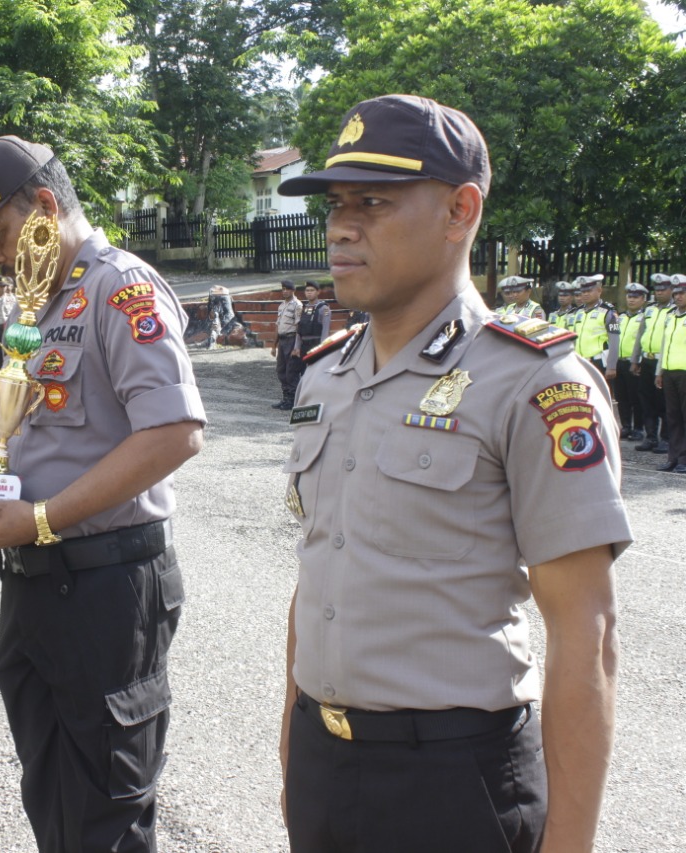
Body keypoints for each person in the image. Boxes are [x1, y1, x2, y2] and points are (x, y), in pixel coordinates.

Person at [275, 94, 630, 853]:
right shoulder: (326, 376)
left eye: (374, 201)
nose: (342, 225)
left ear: (460, 210)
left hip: (452, 783)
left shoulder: (534, 381)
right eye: (336, 204)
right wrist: (293, 753)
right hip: (324, 766)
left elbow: (585, 629)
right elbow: (319, 577)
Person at [0, 134, 205, 852]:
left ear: (42, 205)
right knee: (53, 793)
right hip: (37, 582)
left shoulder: (119, 288)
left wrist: (37, 518)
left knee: (106, 806)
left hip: (105, 583)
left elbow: (175, 433)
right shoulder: (39, 303)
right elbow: (20, 436)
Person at [632, 274, 675, 453]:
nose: (659, 292)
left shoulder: (674, 310)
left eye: (663, 289)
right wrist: (635, 359)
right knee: (646, 400)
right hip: (647, 360)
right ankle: (650, 437)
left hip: (662, 361)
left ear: (672, 290)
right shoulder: (649, 310)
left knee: (663, 403)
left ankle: (665, 438)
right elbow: (640, 335)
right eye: (656, 290)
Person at [655, 277, 686, 473]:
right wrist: (660, 371)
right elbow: (664, 345)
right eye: (676, 293)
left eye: (682, 293)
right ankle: (674, 457)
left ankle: (684, 459)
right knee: (673, 416)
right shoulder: (670, 316)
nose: (678, 297)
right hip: (669, 372)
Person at [572, 274, 620, 387]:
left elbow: (614, 341)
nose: (585, 294)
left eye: (589, 291)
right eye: (583, 291)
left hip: (598, 362)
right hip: (580, 361)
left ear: (599, 290)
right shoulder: (578, 312)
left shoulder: (609, 312)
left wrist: (611, 366)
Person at [615, 282, 649, 440]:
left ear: (643, 299)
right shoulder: (620, 317)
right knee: (622, 398)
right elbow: (613, 338)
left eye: (636, 297)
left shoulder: (645, 318)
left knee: (636, 397)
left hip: (633, 362)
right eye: (629, 296)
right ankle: (626, 426)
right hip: (619, 361)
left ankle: (638, 428)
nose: (632, 300)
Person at [272, 279, 302, 410]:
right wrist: (274, 345)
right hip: (282, 340)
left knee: (291, 371)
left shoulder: (297, 305)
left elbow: (298, 327)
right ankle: (285, 398)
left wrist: (297, 346)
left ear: (293, 290)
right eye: (283, 289)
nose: (284, 291)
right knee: (281, 370)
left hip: (291, 340)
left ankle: (292, 399)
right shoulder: (281, 305)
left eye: (287, 289)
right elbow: (278, 326)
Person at [294, 281, 330, 359]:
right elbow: (299, 330)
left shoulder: (323, 309)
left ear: (318, 292)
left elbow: (325, 330)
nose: (309, 293)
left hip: (316, 345)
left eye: (312, 290)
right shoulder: (303, 308)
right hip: (304, 346)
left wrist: (323, 347)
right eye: (307, 290)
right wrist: (297, 346)